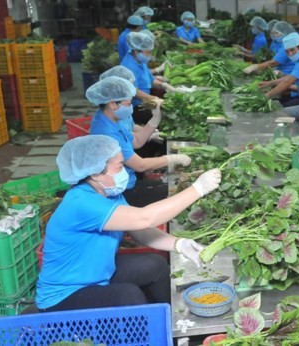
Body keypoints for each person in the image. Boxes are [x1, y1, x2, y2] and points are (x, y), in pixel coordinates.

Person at [36, 135, 221, 312]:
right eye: (118, 167)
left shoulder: (109, 193)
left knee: (155, 265)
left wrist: (178, 244)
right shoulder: (81, 203)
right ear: (95, 173)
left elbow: (139, 229)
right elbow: (145, 218)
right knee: (128, 295)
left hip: (97, 274)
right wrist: (198, 189)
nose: (124, 171)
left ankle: (168, 318)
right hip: (65, 295)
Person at [87, 77, 189, 207]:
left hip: (127, 180)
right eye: (128, 104)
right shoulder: (107, 132)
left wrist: (155, 120)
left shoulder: (110, 119)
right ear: (112, 104)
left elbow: (137, 141)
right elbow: (140, 165)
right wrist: (172, 158)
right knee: (172, 193)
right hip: (120, 191)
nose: (130, 108)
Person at [99, 66, 164, 157]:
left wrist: (151, 132)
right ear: (112, 103)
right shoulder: (108, 128)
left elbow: (131, 128)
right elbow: (139, 165)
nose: (132, 91)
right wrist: (170, 159)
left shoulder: (117, 113)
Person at [259, 32, 299, 122]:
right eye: (287, 52)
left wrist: (268, 95)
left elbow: (288, 81)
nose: (290, 54)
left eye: (292, 50)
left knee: (278, 113)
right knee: (281, 111)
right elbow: (288, 77)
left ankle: (292, 134)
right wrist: (268, 83)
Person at [121, 31, 175, 124]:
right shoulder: (129, 66)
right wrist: (155, 99)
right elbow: (134, 91)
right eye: (147, 52)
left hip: (146, 102)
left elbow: (150, 80)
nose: (149, 55)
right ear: (136, 50)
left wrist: (164, 85)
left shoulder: (141, 61)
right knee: (165, 116)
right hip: (136, 107)